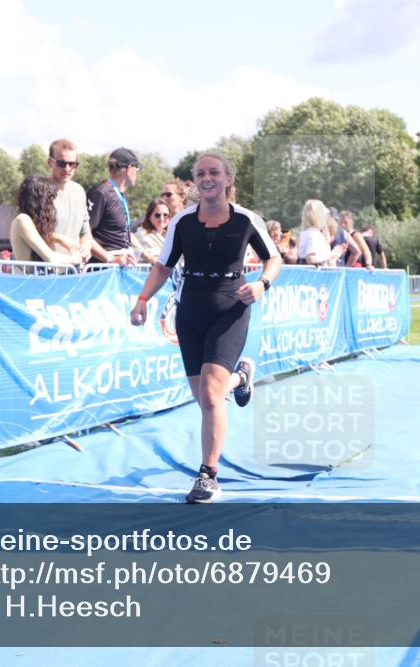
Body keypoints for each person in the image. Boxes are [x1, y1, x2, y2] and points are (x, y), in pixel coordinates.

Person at [130, 152, 281, 504]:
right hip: (191, 311)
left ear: (228, 179)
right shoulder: (182, 221)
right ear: (195, 181)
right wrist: (142, 299)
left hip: (231, 308)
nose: (207, 178)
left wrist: (262, 284)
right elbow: (163, 266)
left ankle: (208, 476)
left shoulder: (246, 219)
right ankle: (241, 378)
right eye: (200, 173)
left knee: (212, 396)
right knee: (205, 398)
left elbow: (274, 258)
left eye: (214, 172)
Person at [9, 175, 79, 266]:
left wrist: (58, 238)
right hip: (30, 275)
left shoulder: (30, 222)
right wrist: (74, 258)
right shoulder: (22, 220)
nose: (52, 204)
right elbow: (52, 259)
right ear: (38, 201)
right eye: (49, 199)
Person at [87, 147, 140, 265]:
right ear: (129, 169)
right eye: (137, 169)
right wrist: (111, 259)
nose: (137, 173)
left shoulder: (119, 194)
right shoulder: (101, 193)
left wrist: (148, 256)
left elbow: (126, 232)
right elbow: (84, 234)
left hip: (118, 266)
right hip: (103, 269)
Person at [47, 138, 93, 263]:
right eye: (62, 163)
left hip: (74, 269)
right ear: (50, 162)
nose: (67, 168)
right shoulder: (39, 191)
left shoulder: (79, 191)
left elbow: (86, 232)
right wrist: (59, 239)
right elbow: (31, 233)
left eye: (72, 164)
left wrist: (85, 248)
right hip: (46, 268)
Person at [298, 199, 342, 266]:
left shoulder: (306, 232)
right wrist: (332, 254)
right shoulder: (313, 234)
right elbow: (311, 259)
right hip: (315, 271)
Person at [136, 198, 170, 264]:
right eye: (157, 215)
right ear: (149, 216)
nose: (162, 218)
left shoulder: (171, 235)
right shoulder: (142, 235)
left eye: (165, 215)